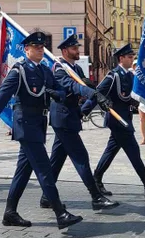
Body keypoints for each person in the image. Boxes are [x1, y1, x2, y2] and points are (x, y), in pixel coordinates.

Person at [0, 31, 82, 229]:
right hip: (25, 124)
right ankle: (60, 213)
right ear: (26, 49)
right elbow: (2, 95)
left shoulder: (44, 70)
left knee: (23, 172)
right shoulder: (19, 71)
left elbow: (60, 90)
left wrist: (56, 94)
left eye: (42, 47)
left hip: (38, 124)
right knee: (44, 170)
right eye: (36, 47)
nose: (41, 50)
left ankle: (10, 213)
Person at [41, 33, 118, 211]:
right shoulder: (60, 69)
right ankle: (96, 196)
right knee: (81, 157)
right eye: (74, 48)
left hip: (70, 118)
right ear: (65, 50)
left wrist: (96, 92)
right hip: (63, 118)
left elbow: (85, 84)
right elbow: (73, 86)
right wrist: (92, 93)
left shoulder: (76, 68)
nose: (78, 51)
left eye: (77, 47)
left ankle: (46, 196)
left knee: (56, 160)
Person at [85, 45, 145, 200]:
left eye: (132, 57)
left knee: (110, 151)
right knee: (134, 153)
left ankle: (96, 178)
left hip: (125, 119)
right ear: (121, 58)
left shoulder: (130, 76)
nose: (131, 59)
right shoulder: (113, 76)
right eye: (129, 57)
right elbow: (97, 94)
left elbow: (131, 97)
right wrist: (83, 110)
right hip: (117, 121)